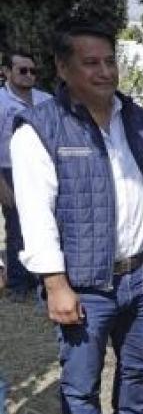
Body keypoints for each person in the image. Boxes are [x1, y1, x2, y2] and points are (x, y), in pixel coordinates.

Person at [10, 19, 143, 414]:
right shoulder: (39, 130)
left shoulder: (136, 117)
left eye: (110, 61)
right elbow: (36, 215)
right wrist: (56, 284)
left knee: (140, 363)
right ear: (63, 69)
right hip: (83, 284)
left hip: (139, 272)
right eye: (91, 63)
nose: (105, 72)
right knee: (81, 382)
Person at [0, 50, 52, 300]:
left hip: (43, 169)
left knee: (44, 223)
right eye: (22, 70)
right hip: (9, 172)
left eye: (33, 71)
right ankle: (17, 285)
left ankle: (41, 279)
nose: (29, 75)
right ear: (7, 72)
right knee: (17, 228)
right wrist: (1, 186)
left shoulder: (46, 101)